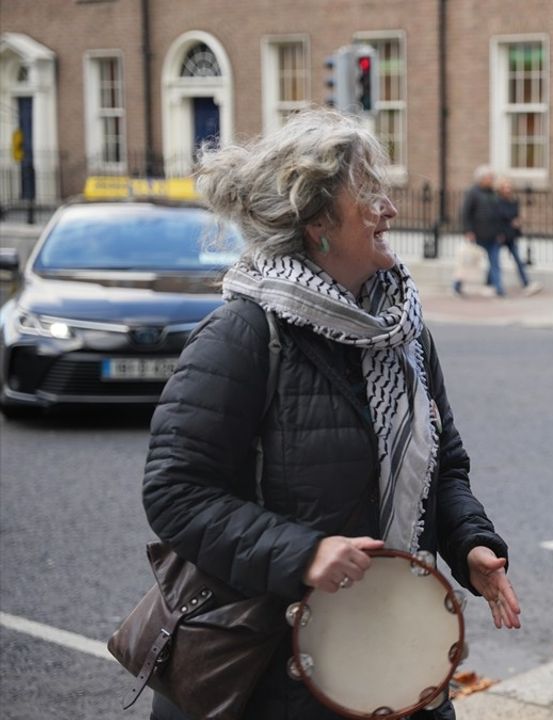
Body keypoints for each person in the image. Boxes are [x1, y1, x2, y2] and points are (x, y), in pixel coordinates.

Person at [143, 108, 521, 720]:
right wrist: (304, 553)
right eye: (368, 192)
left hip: (395, 655)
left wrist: (469, 543)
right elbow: (176, 492)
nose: (389, 209)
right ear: (316, 219)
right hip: (278, 674)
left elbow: (443, 467)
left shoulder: (404, 333)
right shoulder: (242, 333)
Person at [458, 165, 507, 296]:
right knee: (468, 262)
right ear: (481, 179)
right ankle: (457, 285)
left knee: (495, 263)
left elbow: (499, 214)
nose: (492, 180)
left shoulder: (493, 193)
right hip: (477, 235)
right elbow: (465, 212)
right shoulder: (473, 193)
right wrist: (468, 230)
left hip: (493, 236)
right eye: (490, 177)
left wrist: (500, 232)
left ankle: (499, 288)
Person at [495, 177, 542, 296]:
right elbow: (498, 218)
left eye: (509, 187)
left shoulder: (514, 201)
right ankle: (492, 284)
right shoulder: (497, 202)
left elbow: (515, 216)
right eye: (505, 187)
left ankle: (526, 283)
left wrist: (517, 221)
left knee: (518, 260)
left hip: (511, 235)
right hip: (501, 235)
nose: (507, 189)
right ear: (501, 189)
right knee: (494, 260)